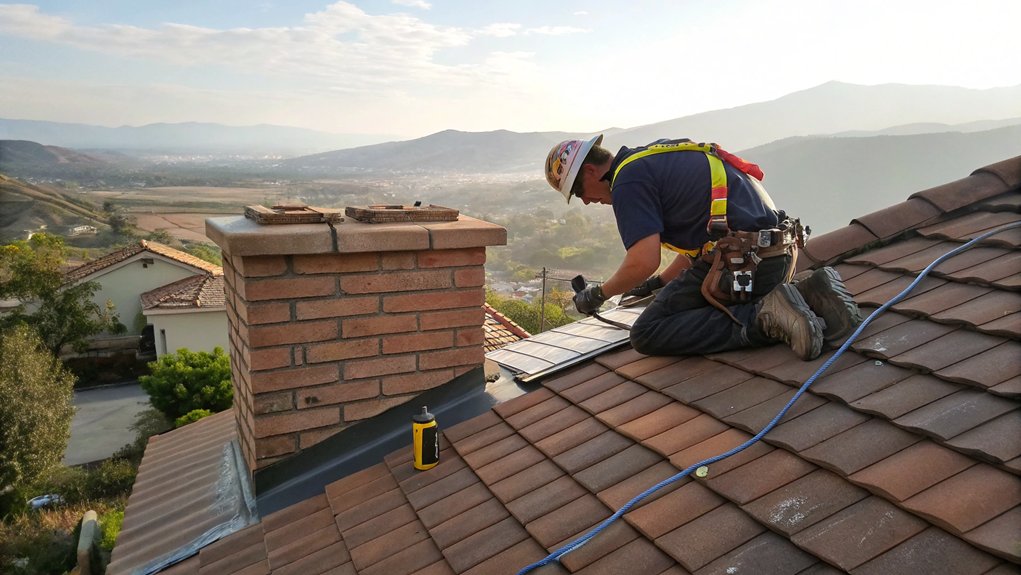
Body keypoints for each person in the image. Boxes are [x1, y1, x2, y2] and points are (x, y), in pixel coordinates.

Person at [543, 135, 861, 360]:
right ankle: (813, 291)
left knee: (648, 331)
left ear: (590, 171)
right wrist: (658, 285)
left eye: (579, 191)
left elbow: (643, 259)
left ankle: (764, 317)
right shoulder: (654, 157)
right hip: (775, 254)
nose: (586, 200)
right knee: (682, 301)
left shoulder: (627, 181)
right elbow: (701, 246)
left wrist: (599, 294)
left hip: (745, 264)